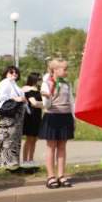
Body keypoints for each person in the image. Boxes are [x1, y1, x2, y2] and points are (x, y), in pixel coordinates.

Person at [40, 58, 75, 188]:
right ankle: (51, 176)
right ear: (55, 70)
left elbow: (71, 102)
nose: (66, 71)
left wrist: (74, 118)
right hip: (52, 117)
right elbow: (46, 105)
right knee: (51, 147)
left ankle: (61, 175)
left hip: (65, 117)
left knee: (62, 147)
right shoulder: (47, 83)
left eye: (66, 68)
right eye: (64, 69)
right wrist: (47, 98)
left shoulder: (67, 84)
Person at [0, 65, 26, 171]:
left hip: (16, 115)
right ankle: (5, 163)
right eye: (11, 72)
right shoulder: (5, 82)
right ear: (6, 73)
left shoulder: (14, 84)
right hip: (8, 115)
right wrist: (15, 98)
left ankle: (13, 163)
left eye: (16, 72)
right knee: (7, 138)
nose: (14, 74)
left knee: (15, 138)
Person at [21, 72, 44, 168]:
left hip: (37, 115)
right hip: (30, 116)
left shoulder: (38, 89)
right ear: (34, 79)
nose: (40, 81)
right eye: (39, 79)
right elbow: (33, 103)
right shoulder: (27, 89)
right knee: (29, 139)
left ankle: (31, 159)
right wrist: (46, 104)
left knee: (35, 139)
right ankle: (25, 160)